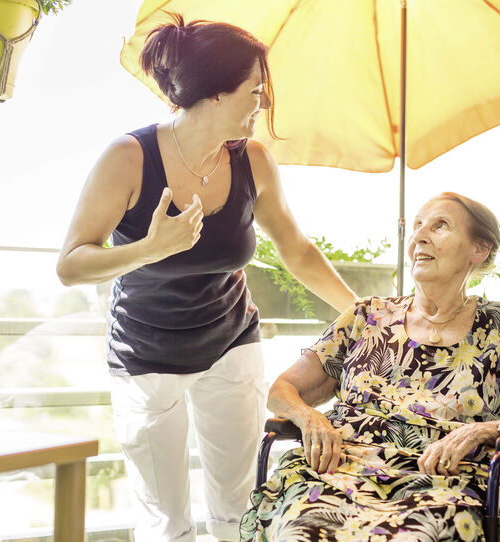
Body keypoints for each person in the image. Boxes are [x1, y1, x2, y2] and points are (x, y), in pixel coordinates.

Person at [56, 13, 357, 542]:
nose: (263, 103)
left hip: (230, 344)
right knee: (165, 521)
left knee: (236, 508)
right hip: (146, 355)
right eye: (255, 91)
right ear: (216, 95)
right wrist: (148, 250)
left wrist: (365, 313)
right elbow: (71, 263)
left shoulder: (254, 162)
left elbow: (298, 249)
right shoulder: (129, 158)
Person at [241, 193, 500, 541]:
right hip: (336, 471)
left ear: (479, 249)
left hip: (442, 482)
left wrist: (482, 430)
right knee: (298, 529)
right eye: (416, 227)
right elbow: (281, 390)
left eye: (439, 226)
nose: (419, 237)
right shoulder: (367, 316)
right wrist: (310, 418)